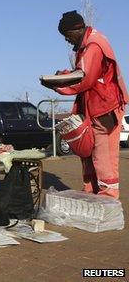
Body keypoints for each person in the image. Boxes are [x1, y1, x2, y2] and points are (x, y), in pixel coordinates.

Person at [42, 11, 128, 199]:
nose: (67, 40)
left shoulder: (93, 45)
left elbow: (85, 79)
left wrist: (56, 84)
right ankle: (92, 191)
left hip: (104, 106)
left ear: (76, 29)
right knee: (90, 150)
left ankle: (108, 196)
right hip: (97, 104)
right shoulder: (89, 44)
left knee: (102, 152)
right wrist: (64, 75)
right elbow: (83, 72)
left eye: (67, 36)